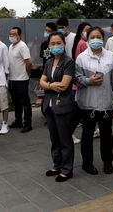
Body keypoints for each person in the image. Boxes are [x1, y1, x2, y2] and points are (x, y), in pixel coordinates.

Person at [76, 26, 113, 175]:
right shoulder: (81, 58)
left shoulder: (111, 57)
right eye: (92, 37)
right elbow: (76, 79)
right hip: (87, 103)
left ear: (103, 38)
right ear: (87, 39)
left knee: (106, 134)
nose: (95, 40)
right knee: (87, 135)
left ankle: (107, 162)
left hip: (106, 102)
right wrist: (89, 80)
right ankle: (87, 163)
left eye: (98, 37)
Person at [40, 32, 78, 182]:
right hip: (49, 106)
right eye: (52, 44)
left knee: (65, 139)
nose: (55, 46)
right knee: (54, 138)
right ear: (49, 46)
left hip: (63, 106)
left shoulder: (69, 62)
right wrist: (50, 85)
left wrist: (48, 85)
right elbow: (41, 82)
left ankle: (67, 169)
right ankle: (57, 165)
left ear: (64, 44)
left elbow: (63, 86)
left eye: (58, 43)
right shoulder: (49, 62)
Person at [8, 26, 33, 133]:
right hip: (12, 79)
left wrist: (28, 74)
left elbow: (29, 62)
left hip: (22, 79)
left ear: (19, 35)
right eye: (10, 34)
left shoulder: (23, 46)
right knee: (16, 102)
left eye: (14, 34)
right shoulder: (10, 46)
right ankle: (18, 121)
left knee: (25, 102)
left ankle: (28, 123)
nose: (12, 36)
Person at [37, 22, 58, 108]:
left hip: (56, 72)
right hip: (46, 73)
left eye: (49, 31)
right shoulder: (44, 44)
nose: (46, 32)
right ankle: (46, 112)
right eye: (46, 30)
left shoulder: (58, 45)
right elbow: (44, 58)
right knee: (45, 94)